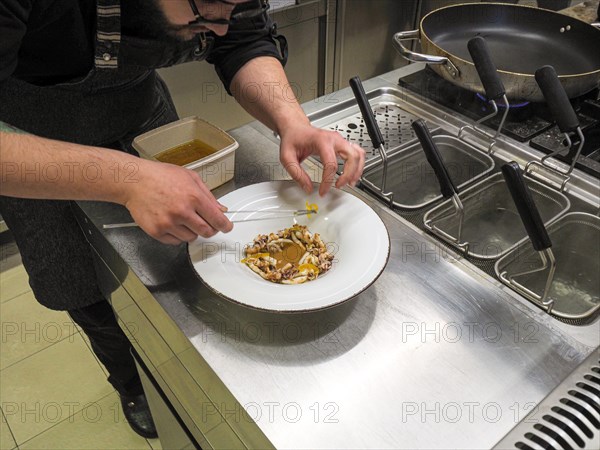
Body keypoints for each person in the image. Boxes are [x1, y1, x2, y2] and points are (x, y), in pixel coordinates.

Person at [0, 0, 365, 439]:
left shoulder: (218, 9)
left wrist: (290, 120)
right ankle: (131, 382)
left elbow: (244, 40)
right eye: (206, 7)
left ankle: (172, 367)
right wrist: (126, 179)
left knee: (181, 273)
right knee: (81, 284)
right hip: (28, 145)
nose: (220, 24)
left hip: (144, 121)